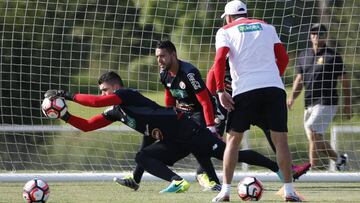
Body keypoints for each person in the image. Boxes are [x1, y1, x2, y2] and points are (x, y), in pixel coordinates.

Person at [44, 71, 309, 194]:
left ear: (114, 87)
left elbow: (95, 103)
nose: (103, 93)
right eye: (101, 90)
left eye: (104, 89)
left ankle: (277, 168)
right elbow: (89, 125)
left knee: (231, 154)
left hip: (188, 128)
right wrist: (65, 115)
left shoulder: (125, 95)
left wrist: (66, 95)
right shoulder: (116, 111)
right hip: (174, 140)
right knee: (144, 157)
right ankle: (177, 181)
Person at [211, 1, 301, 202]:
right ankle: (289, 191)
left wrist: (220, 90)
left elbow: (219, 61)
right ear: (246, 14)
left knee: (233, 141)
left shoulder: (224, 31)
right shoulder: (268, 27)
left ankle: (225, 191)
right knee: (281, 141)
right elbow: (283, 58)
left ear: (228, 17)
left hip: (245, 91)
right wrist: (272, 78)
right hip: (274, 90)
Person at [206, 60, 311, 178]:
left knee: (271, 130)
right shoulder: (216, 69)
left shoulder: (248, 63)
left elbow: (282, 60)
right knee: (215, 143)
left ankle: (288, 168)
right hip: (224, 104)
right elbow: (210, 95)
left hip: (247, 102)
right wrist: (214, 122)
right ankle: (204, 172)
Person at [287, 23, 351, 170]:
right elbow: (299, 79)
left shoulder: (333, 56)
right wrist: (292, 98)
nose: (316, 36)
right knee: (314, 138)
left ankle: (311, 168)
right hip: (309, 102)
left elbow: (345, 82)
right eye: (314, 33)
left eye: (320, 34)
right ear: (310, 36)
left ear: (325, 36)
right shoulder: (304, 55)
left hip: (327, 102)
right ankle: (340, 160)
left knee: (312, 130)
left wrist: (347, 105)